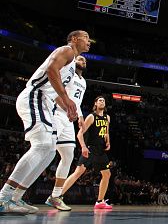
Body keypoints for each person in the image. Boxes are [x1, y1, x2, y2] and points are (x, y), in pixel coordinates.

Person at [0, 30, 90, 215]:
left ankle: (16, 197)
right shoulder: (67, 50)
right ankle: (3, 198)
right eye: (86, 38)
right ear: (74, 39)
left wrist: (68, 107)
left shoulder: (72, 65)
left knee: (49, 151)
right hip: (35, 97)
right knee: (42, 145)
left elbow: (55, 92)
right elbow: (51, 70)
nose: (89, 42)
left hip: (45, 102)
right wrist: (66, 97)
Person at [46, 55, 88, 211]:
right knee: (45, 151)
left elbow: (78, 102)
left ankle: (55, 197)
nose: (83, 62)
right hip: (57, 113)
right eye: (80, 59)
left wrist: (81, 117)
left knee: (68, 156)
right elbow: (56, 92)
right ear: (74, 60)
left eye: (85, 61)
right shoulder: (67, 72)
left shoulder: (83, 82)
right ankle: (15, 194)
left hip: (69, 119)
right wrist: (67, 109)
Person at [59, 96, 112, 209]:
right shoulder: (91, 117)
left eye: (103, 100)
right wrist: (83, 147)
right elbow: (79, 134)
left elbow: (106, 132)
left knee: (107, 174)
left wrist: (108, 142)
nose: (102, 102)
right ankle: (58, 196)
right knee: (78, 172)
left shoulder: (107, 117)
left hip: (101, 151)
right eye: (100, 100)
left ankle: (99, 201)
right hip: (91, 149)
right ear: (95, 104)